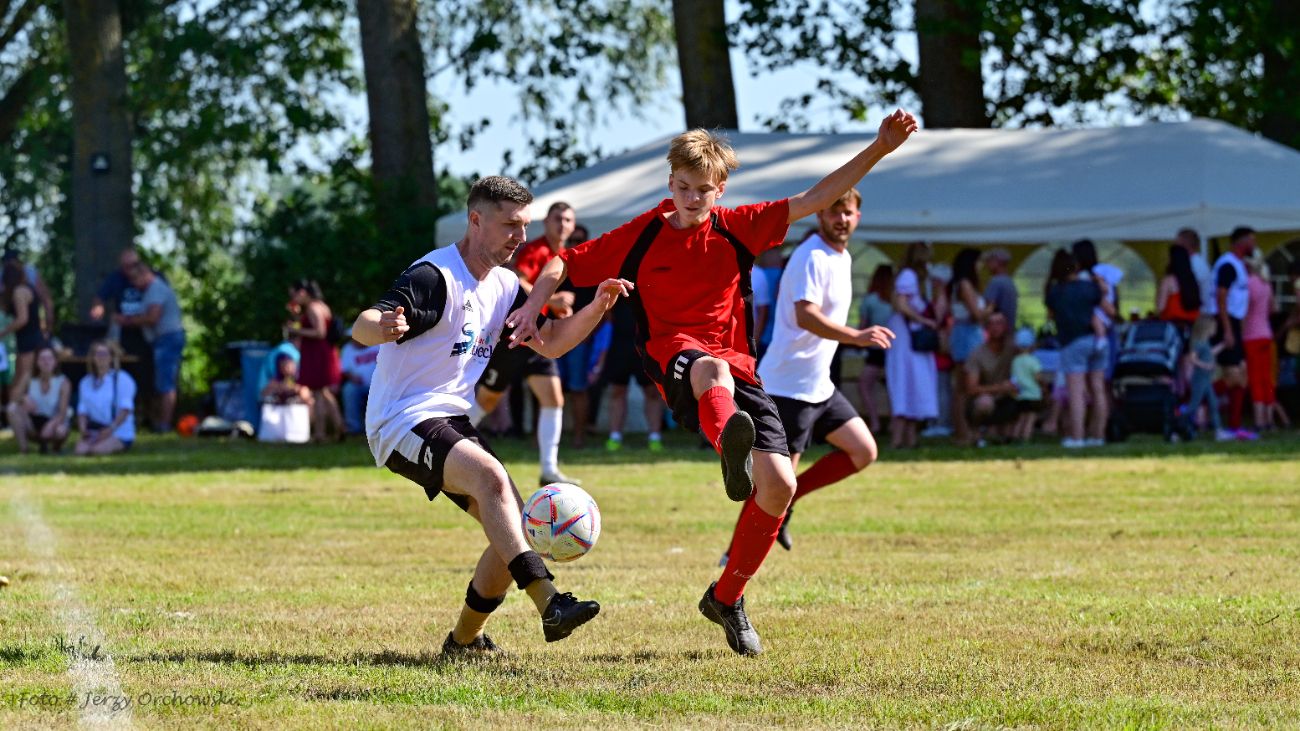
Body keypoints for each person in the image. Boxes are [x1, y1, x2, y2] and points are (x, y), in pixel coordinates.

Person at [509, 111, 919, 655]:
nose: (692, 198)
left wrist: (880, 147)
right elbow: (561, 264)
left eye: (703, 190)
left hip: (742, 372)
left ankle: (726, 598)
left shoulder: (737, 226)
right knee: (710, 370)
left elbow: (817, 197)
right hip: (677, 361)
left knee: (780, 487)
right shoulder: (643, 233)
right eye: (683, 187)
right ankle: (732, 446)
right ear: (670, 182)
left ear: (720, 189)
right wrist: (533, 307)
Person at [356, 175, 628, 655]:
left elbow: (552, 342)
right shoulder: (434, 277)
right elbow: (363, 324)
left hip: (450, 418)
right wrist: (383, 327)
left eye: (524, 226)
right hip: (400, 420)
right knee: (492, 480)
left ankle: (464, 640)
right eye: (510, 225)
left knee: (514, 527)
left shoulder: (505, 285)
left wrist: (598, 306)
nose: (520, 237)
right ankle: (550, 602)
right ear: (476, 220)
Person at [739, 187, 893, 554]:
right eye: (834, 212)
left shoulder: (842, 256)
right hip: (788, 388)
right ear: (820, 215)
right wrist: (857, 337)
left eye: (848, 212)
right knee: (773, 484)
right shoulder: (811, 255)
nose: (841, 219)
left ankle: (789, 503)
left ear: (858, 217)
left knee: (863, 451)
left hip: (818, 385)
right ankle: (733, 555)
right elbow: (805, 316)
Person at [469, 202, 583, 484]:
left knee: (553, 398)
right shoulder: (536, 250)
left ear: (573, 226)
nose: (562, 224)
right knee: (488, 399)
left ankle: (548, 470)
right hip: (515, 335)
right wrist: (552, 300)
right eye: (557, 218)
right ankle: (448, 441)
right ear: (546, 223)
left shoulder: (566, 253)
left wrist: (556, 309)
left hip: (538, 337)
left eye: (568, 220)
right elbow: (518, 283)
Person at [1045, 249, 1112, 448]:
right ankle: (1098, 435)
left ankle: (1077, 437)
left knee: (1076, 392)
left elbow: (1050, 316)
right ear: (1076, 267)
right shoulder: (1089, 287)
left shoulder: (1055, 292)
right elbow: (1108, 309)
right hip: (1097, 340)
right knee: (1098, 389)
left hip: (1073, 342)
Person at [115, 262, 185, 431]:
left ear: (145, 274)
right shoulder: (150, 290)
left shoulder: (156, 289)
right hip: (162, 340)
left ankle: (164, 424)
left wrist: (127, 320)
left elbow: (153, 318)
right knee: (161, 381)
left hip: (168, 339)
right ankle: (159, 421)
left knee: (165, 383)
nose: (133, 283)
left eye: (135, 278)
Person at [887, 242, 942, 450]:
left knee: (914, 381)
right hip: (906, 336)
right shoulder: (909, 276)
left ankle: (909, 438)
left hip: (911, 337)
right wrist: (923, 320)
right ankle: (898, 438)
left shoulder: (920, 280)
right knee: (905, 380)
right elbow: (901, 305)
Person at [1205, 227, 1256, 437]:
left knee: (1242, 375)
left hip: (1233, 323)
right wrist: (1227, 329)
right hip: (1224, 322)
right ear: (1240, 242)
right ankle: (1192, 402)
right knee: (1233, 376)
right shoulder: (1228, 265)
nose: (1254, 245)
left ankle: (1235, 425)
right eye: (1251, 240)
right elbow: (1221, 297)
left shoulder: (1239, 265)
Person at [602, 297, 666, 452]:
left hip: (646, 344)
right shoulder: (617, 286)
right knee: (617, 390)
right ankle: (615, 437)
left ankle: (655, 438)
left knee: (652, 391)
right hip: (619, 344)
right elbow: (606, 311)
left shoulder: (649, 286)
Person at [286, 279, 344, 442]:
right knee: (324, 392)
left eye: (294, 295)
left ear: (303, 292)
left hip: (318, 354)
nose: (294, 298)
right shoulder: (321, 305)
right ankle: (339, 427)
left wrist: (295, 330)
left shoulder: (313, 307)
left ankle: (320, 433)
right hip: (324, 352)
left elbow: (320, 332)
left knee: (318, 392)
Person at [947, 248, 992, 446]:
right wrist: (991, 307)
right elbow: (977, 314)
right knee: (964, 387)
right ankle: (963, 432)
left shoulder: (962, 284)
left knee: (964, 386)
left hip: (968, 334)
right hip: (967, 336)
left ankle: (968, 431)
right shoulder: (965, 284)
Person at [963, 312, 1018, 445]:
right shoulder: (977, 354)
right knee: (985, 403)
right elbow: (971, 389)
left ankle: (1017, 435)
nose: (995, 327)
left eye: (999, 323)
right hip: (986, 398)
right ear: (986, 328)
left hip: (1010, 397)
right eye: (991, 323)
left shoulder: (1014, 350)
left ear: (1006, 326)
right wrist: (1000, 388)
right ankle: (977, 431)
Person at [75, 341, 136, 456]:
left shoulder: (122, 379)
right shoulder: (85, 382)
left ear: (111, 358)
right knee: (80, 451)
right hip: (95, 430)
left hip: (118, 431)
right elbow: (82, 411)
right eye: (97, 354)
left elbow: (126, 409)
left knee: (96, 451)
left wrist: (110, 429)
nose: (101, 357)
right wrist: (83, 430)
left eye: (104, 354)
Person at [6, 345, 71, 454]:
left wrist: (50, 425)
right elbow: (13, 398)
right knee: (12, 408)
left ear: (55, 362)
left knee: (61, 430)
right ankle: (24, 449)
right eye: (42, 359)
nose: (46, 362)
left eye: (49, 358)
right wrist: (23, 398)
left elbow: (62, 413)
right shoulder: (29, 378)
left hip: (53, 422)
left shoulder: (63, 382)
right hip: (33, 422)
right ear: (37, 362)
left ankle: (55, 449)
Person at [1243, 256, 1282, 431]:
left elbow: (1244, 309)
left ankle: (1259, 420)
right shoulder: (1266, 284)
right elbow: (1274, 308)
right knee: (1267, 379)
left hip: (1251, 336)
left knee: (1255, 378)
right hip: (1266, 334)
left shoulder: (1248, 283)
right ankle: (1269, 419)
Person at [856, 264, 894, 434]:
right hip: (893, 349)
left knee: (864, 385)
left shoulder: (870, 300)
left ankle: (875, 421)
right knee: (893, 387)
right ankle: (894, 422)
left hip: (876, 349)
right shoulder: (896, 300)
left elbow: (862, 327)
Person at [0, 257, 43, 403]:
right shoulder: (27, 288)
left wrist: (3, 332)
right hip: (27, 338)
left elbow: (22, 319)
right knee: (20, 376)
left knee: (23, 377)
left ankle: (12, 407)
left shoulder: (19, 291)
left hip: (28, 340)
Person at [1185, 317, 1235, 441]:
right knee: (1194, 404)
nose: (1215, 330)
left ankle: (1218, 431)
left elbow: (1210, 353)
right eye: (1213, 327)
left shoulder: (1205, 343)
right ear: (1206, 328)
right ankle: (1179, 427)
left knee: (1213, 403)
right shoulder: (1199, 343)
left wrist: (1223, 345)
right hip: (1200, 379)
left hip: (1206, 380)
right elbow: (1192, 358)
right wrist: (1206, 365)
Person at [0, 250, 54, 340]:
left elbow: (23, 319)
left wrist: (48, 325)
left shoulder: (21, 288)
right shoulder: (26, 274)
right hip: (25, 332)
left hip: (29, 334)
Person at [339, 332, 380, 435]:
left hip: (380, 384)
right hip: (359, 385)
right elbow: (345, 370)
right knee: (349, 389)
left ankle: (380, 427)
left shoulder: (378, 344)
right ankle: (354, 427)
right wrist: (352, 377)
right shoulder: (347, 349)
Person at [1009, 328, 1044, 443]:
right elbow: (1038, 377)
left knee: (1020, 418)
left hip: (1020, 395)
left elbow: (1014, 377)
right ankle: (1025, 437)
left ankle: (1015, 436)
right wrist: (1043, 386)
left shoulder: (1015, 361)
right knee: (1030, 418)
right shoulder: (1033, 360)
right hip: (1033, 395)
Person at [1156, 244, 1202, 328]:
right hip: (1193, 326)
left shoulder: (1168, 280)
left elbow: (1160, 307)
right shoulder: (1194, 281)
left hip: (1172, 327)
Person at [982, 247, 1018, 326]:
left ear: (998, 262)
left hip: (996, 329)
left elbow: (989, 308)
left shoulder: (996, 282)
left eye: (989, 260)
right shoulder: (1009, 281)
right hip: (1008, 328)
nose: (987, 264)